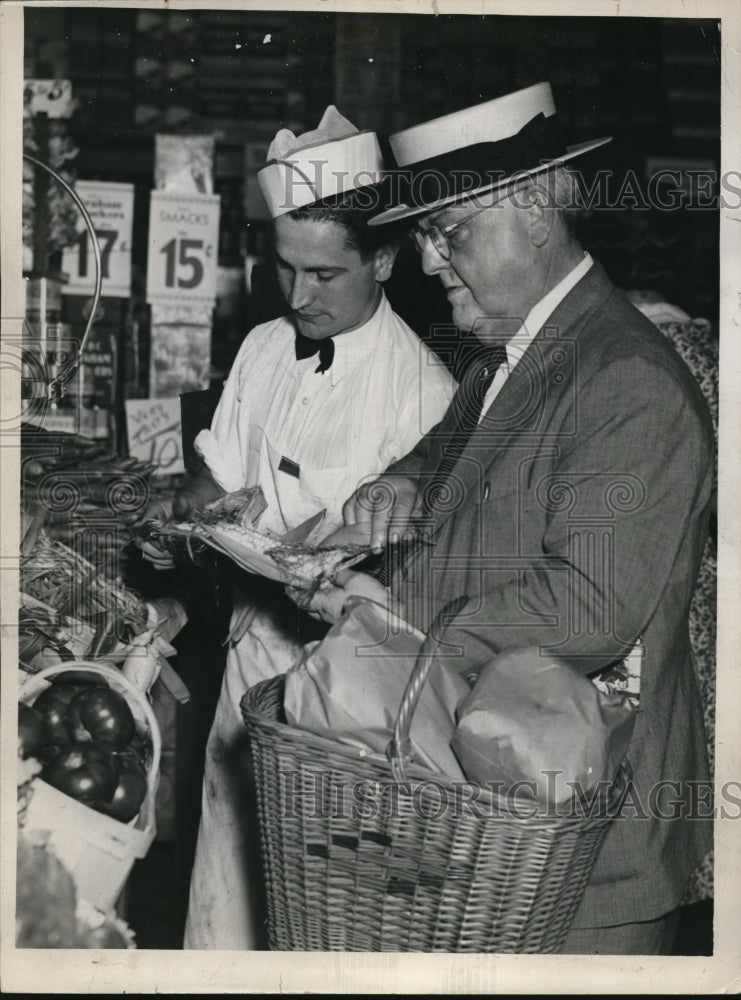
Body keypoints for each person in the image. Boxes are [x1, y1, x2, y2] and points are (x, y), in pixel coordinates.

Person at [305, 82, 715, 955]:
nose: (425, 261)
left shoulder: (623, 380)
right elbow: (453, 451)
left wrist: (388, 624)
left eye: (448, 232)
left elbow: (587, 606)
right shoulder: (510, 355)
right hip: (499, 815)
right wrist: (407, 480)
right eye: (422, 235)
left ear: (535, 207)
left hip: (583, 845)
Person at [140, 106, 456, 949]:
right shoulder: (261, 349)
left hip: (345, 700)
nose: (298, 296)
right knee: (223, 899)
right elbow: (216, 474)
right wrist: (199, 511)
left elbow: (420, 580)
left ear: (383, 259)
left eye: (324, 274)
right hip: (246, 669)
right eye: (286, 269)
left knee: (319, 912)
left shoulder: (422, 395)